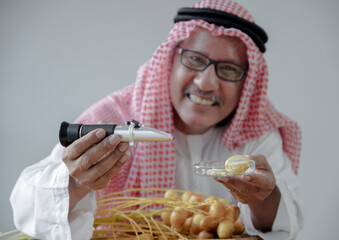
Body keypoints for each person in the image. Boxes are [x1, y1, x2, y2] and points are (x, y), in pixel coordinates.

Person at [10, 0, 304, 239]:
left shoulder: (258, 132)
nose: (205, 83)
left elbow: (283, 224)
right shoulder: (115, 118)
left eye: (228, 70)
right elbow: (27, 205)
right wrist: (75, 182)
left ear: (246, 82)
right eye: (195, 60)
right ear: (170, 61)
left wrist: (263, 197)